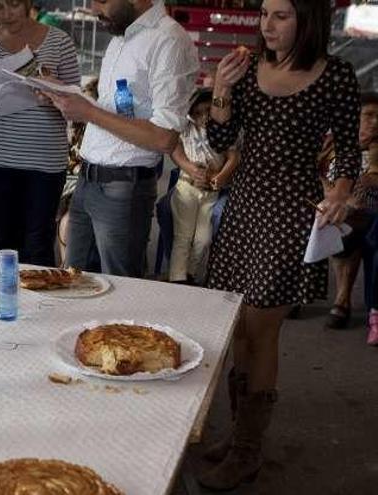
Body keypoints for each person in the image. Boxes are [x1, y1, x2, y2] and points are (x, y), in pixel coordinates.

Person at [195, 0, 362, 489]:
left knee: (261, 328)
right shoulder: (247, 69)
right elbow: (225, 139)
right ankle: (240, 431)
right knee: (238, 329)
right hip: (245, 205)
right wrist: (221, 91)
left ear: (306, 19)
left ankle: (248, 450)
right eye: (264, 13)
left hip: (291, 211)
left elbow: (349, 148)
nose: (267, 24)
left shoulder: (336, 75)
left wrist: (339, 189)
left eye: (281, 15)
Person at [44, 0, 199, 277]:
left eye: (102, 1)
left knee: (120, 293)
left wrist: (88, 111)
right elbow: (113, 109)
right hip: (88, 178)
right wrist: (66, 96)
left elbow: (164, 137)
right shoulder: (122, 38)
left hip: (124, 186)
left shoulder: (169, 41)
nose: (93, 9)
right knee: (73, 281)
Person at [0, 0, 87, 267]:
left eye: (13, 6)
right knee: (2, 245)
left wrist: (52, 93)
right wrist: (6, 87)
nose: (6, 14)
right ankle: (4, 305)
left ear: (27, 4)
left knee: (38, 244)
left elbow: (78, 103)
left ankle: (40, 305)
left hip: (45, 160)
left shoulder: (59, 41)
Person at [168, 90, 239, 284]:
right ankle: (178, 279)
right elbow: (172, 146)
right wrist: (190, 168)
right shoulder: (186, 128)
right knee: (183, 236)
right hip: (187, 187)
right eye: (198, 113)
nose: (204, 117)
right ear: (192, 113)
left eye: (208, 111)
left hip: (211, 192)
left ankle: (190, 272)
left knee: (203, 239)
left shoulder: (224, 130)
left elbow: (234, 156)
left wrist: (222, 176)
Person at [323, 93, 378, 330]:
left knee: (350, 226)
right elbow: (316, 170)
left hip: (367, 209)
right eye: (369, 115)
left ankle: (342, 299)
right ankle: (296, 292)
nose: (375, 122)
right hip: (330, 204)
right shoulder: (333, 142)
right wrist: (328, 193)